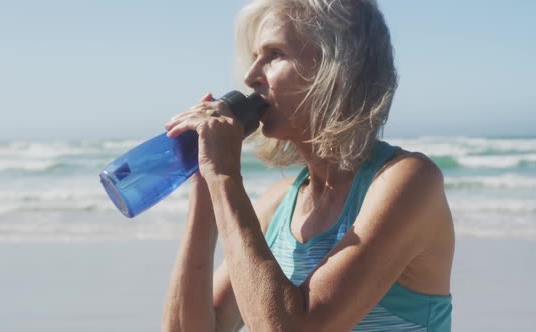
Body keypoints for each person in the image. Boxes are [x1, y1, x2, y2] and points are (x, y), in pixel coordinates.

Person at [162, 0, 454, 331]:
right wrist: (205, 182)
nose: (251, 76)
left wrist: (225, 176)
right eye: (257, 56)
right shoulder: (278, 205)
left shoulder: (407, 182)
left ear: (338, 66)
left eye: (274, 54)